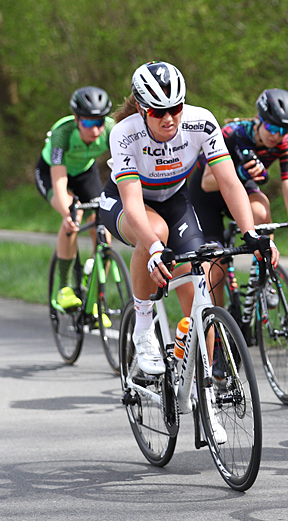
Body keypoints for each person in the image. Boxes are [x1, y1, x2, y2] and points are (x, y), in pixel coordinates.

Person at [98, 61, 278, 378]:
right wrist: (154, 247)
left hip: (174, 200)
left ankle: (202, 388)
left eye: (175, 108)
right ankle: (142, 328)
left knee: (200, 294)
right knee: (155, 231)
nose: (169, 118)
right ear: (140, 109)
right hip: (128, 203)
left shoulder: (201, 122)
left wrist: (251, 234)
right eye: (157, 111)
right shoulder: (125, 134)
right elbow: (133, 202)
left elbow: (229, 181)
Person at [189, 88, 288, 307]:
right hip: (207, 194)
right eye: (271, 127)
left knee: (261, 210)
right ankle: (217, 326)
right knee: (214, 264)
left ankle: (263, 276)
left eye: (283, 130)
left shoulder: (285, 145)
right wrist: (240, 173)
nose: (276, 135)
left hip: (240, 188)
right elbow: (207, 183)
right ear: (259, 119)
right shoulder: (232, 133)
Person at [36, 87, 114, 309]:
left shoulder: (110, 129)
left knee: (103, 222)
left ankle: (95, 296)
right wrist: (66, 211)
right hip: (53, 173)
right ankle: (64, 288)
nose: (96, 130)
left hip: (84, 173)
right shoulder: (63, 132)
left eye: (99, 122)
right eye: (89, 123)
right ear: (77, 119)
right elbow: (59, 180)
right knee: (74, 214)